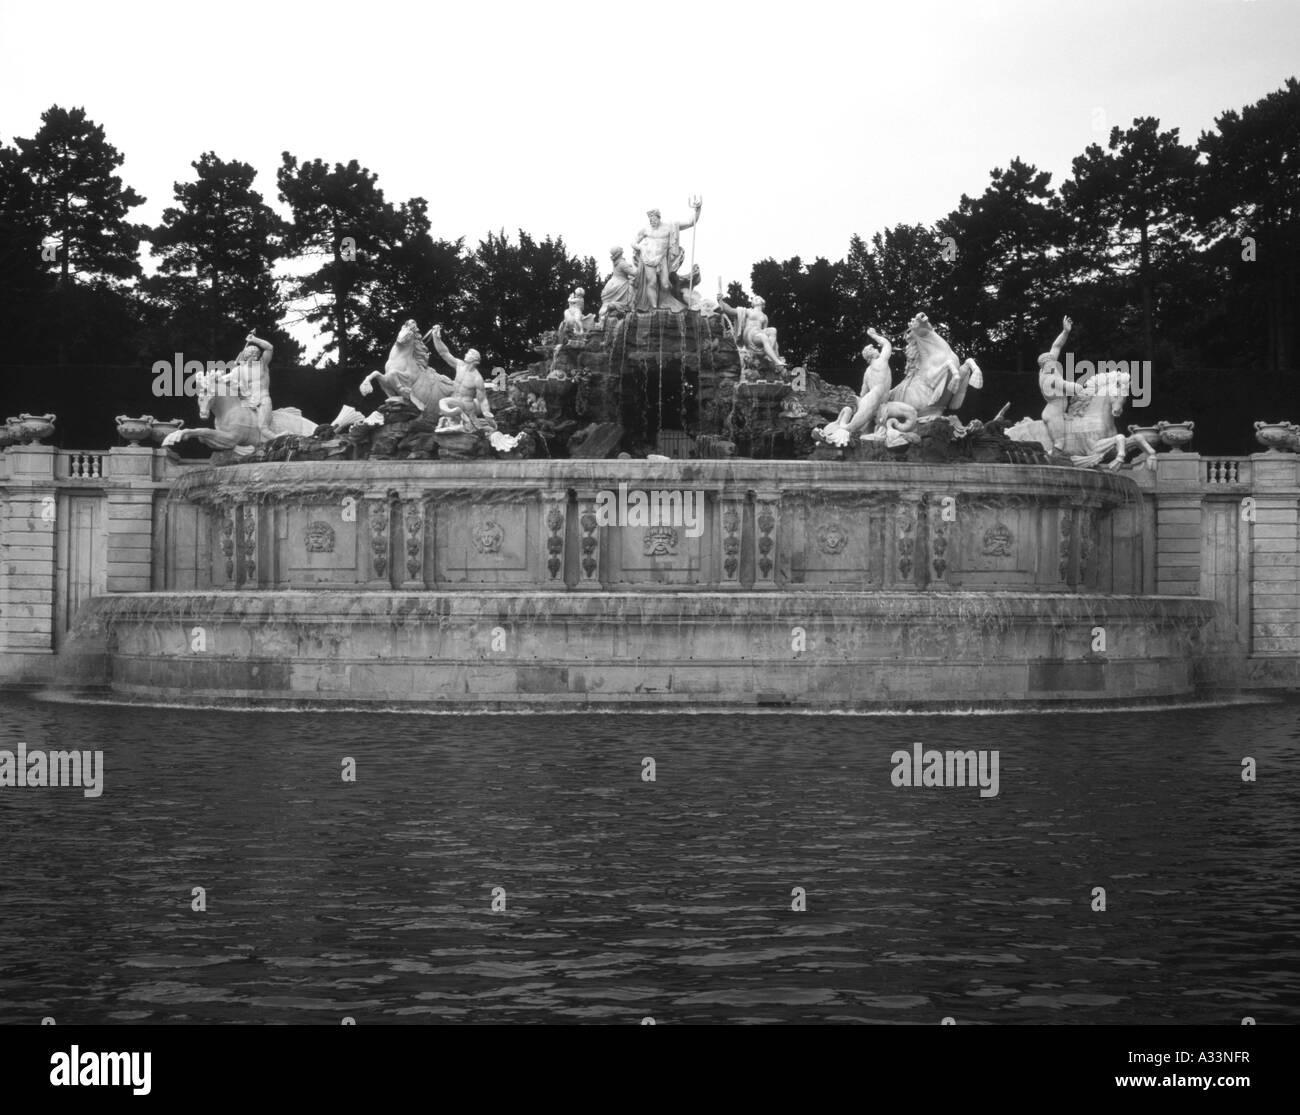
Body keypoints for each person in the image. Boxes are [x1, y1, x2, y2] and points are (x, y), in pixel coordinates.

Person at [632, 201, 701, 311]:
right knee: (652, 282)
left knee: (665, 285)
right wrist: (640, 248)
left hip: (662, 258)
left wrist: (698, 209)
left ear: (658, 217)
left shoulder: (670, 226)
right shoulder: (646, 229)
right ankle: (655, 308)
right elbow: (633, 242)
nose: (651, 221)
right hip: (648, 258)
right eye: (650, 220)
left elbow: (690, 222)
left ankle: (665, 301)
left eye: (653, 219)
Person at [428, 325, 497, 432]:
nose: (465, 354)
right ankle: (458, 413)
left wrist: (488, 415)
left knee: (443, 402)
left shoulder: (477, 378)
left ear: (474, 359)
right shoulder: (460, 365)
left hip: (467, 406)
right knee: (444, 407)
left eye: (468, 354)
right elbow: (444, 353)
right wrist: (436, 338)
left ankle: (461, 414)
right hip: (456, 401)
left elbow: (482, 400)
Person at [715, 288, 786, 370]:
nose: (756, 299)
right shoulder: (747, 311)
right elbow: (730, 310)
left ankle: (769, 355)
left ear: (762, 302)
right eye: (754, 299)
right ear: (752, 304)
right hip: (750, 334)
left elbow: (765, 330)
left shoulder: (765, 317)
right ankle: (776, 361)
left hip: (759, 334)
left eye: (758, 298)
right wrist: (721, 301)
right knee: (763, 337)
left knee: (773, 330)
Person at [598, 247, 637, 321]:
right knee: (632, 290)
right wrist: (641, 266)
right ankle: (631, 308)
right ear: (621, 253)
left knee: (606, 304)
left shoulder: (616, 262)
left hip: (611, 284)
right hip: (620, 285)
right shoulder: (622, 263)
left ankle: (602, 317)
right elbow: (634, 273)